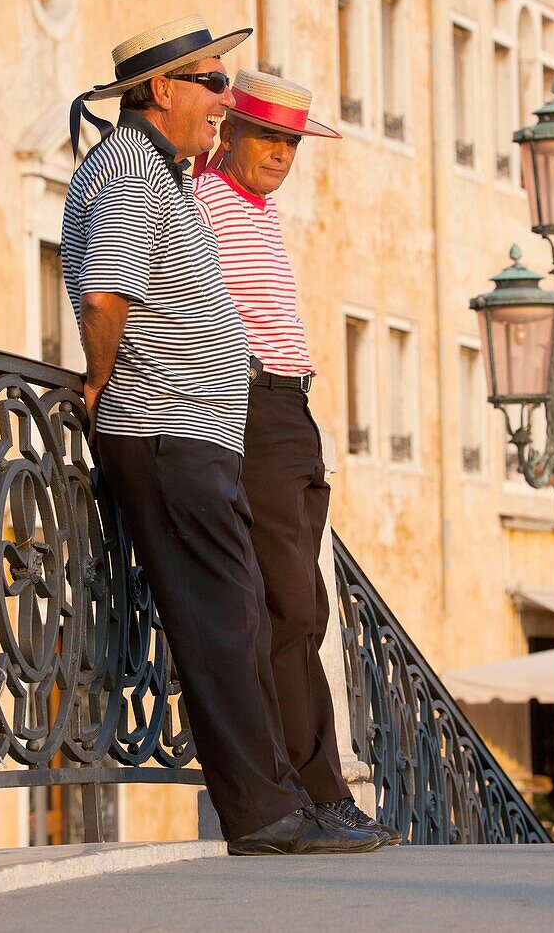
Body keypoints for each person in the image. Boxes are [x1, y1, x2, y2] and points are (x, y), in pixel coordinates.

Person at [61, 17, 384, 856]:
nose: (221, 99)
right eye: (212, 84)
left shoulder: (150, 171)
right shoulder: (133, 172)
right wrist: (99, 383)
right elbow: (104, 296)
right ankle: (268, 813)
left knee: (239, 617)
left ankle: (278, 805)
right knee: (224, 623)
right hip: (166, 428)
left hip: (193, 432)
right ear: (159, 89)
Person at [193, 69, 401, 846]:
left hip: (288, 407)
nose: (280, 155)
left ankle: (311, 793)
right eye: (267, 139)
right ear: (231, 135)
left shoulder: (259, 208)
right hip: (249, 406)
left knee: (296, 607)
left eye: (289, 144)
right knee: (292, 607)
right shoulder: (205, 201)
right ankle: (313, 795)